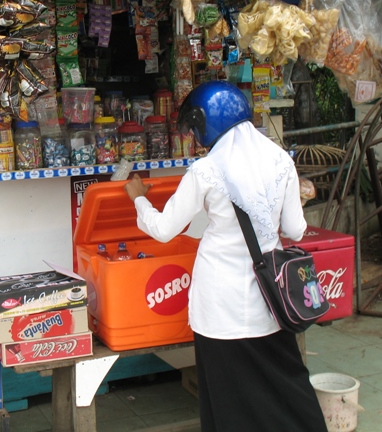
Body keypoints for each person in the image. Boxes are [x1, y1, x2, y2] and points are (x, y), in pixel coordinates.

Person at [123, 80, 327, 432]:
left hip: (221, 308)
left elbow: (163, 229)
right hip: (272, 302)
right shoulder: (281, 160)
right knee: (285, 390)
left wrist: (139, 197)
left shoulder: (206, 170)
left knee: (229, 402)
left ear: (206, 122)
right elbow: (294, 229)